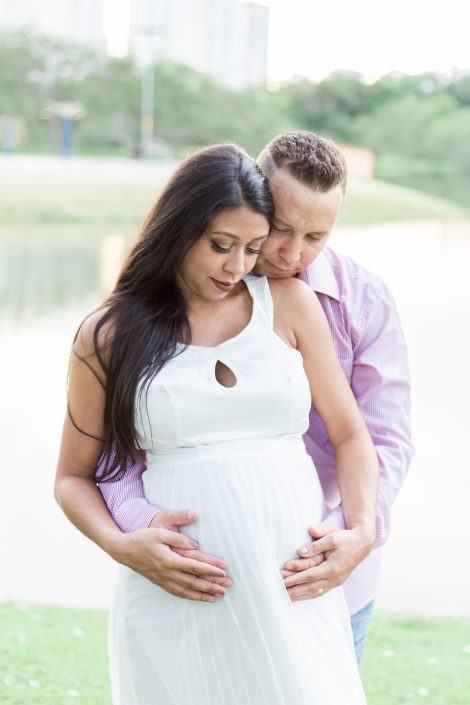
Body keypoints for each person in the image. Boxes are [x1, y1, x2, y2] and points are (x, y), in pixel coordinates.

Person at [55, 143, 378, 705]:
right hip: (178, 594)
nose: (237, 267)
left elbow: (352, 435)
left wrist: (363, 528)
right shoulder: (109, 335)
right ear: (178, 230)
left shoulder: (291, 304)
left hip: (291, 590)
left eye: (253, 249)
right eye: (220, 246)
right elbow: (72, 477)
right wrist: (120, 544)